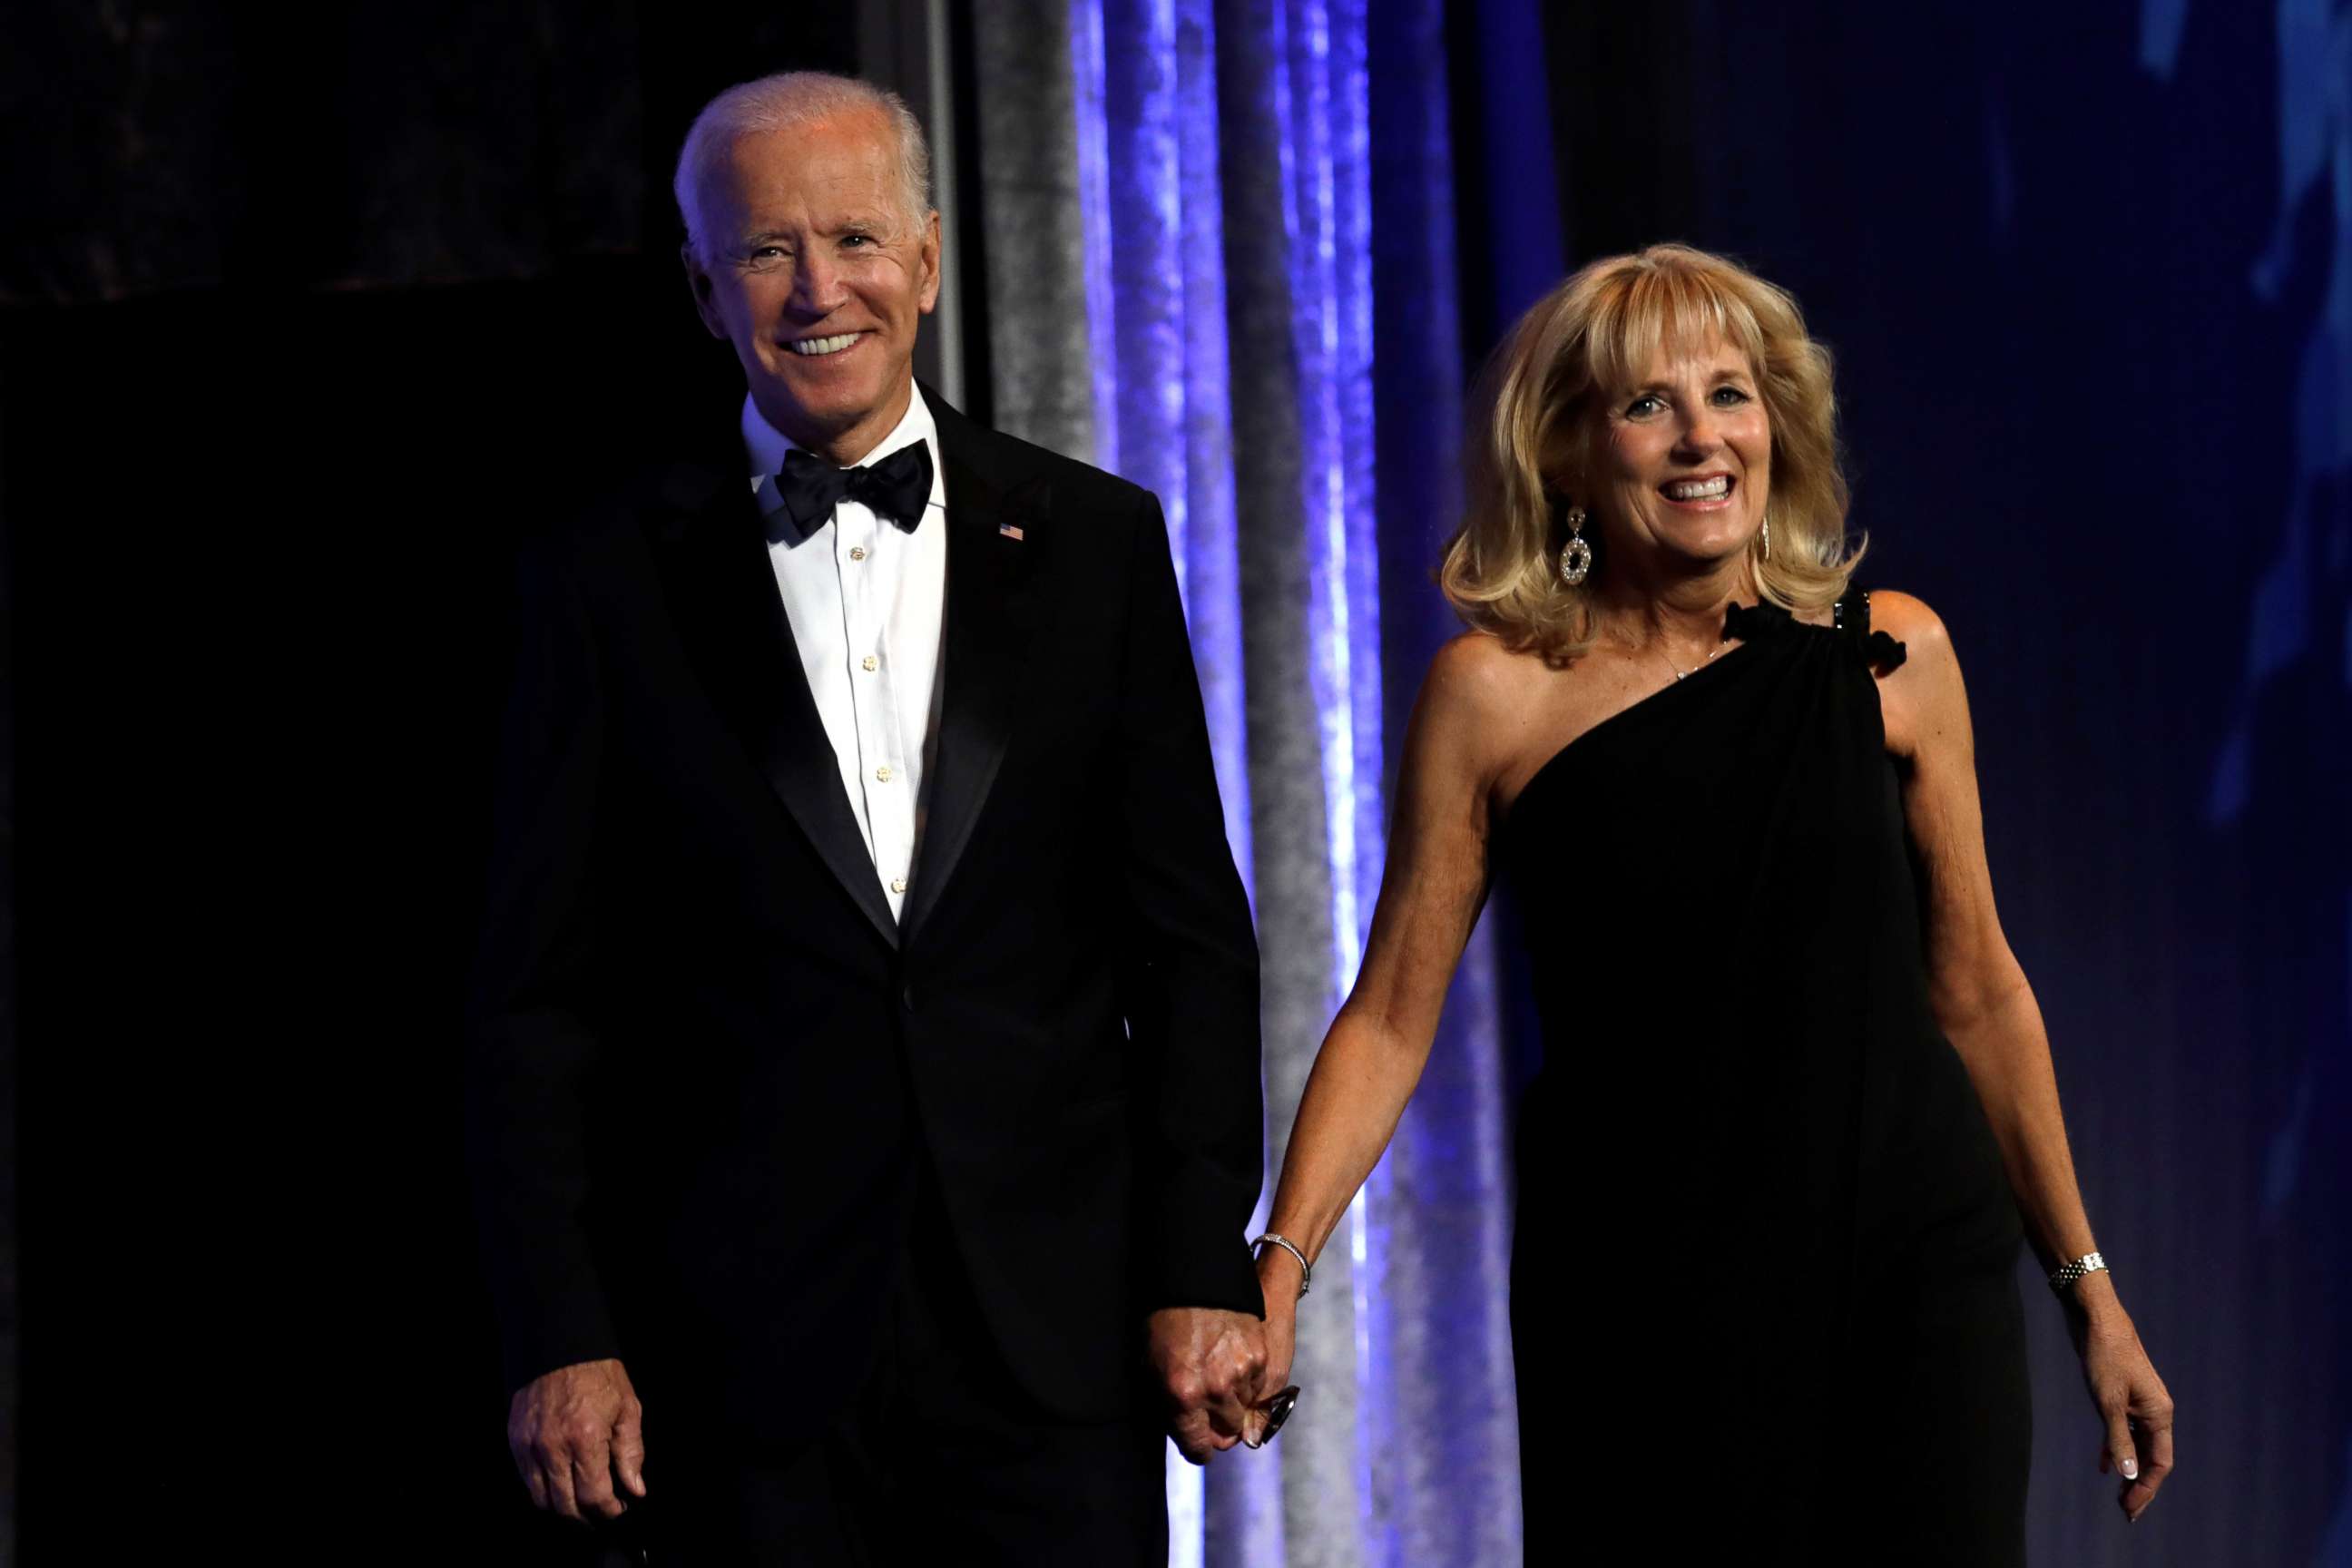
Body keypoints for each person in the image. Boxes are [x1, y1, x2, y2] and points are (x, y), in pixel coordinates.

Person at [1241, 244, 2175, 1560]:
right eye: (1648, 405)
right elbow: (1393, 1016)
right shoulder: (1494, 695)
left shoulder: (1891, 654)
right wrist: (1280, 1264)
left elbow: (1976, 989)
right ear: (1569, 453)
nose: (1701, 438)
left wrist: (2092, 1296)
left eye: (1731, 395)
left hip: (1911, 1275)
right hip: (1644, 1298)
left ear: (1776, 427)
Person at [464, 71, 1268, 1565]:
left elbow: (1190, 946)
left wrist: (1200, 1263)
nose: (817, 288)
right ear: (705, 291)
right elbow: (537, 1001)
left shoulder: (1096, 539)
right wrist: (560, 1328)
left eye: (852, 239)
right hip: (738, 1358)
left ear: (930, 259)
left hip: (1058, 1343)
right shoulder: (599, 579)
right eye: (766, 252)